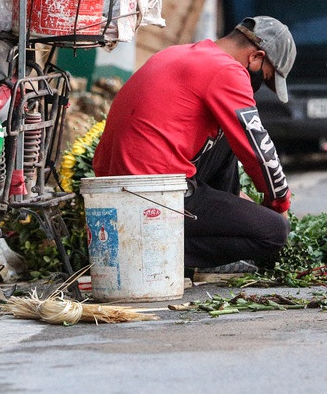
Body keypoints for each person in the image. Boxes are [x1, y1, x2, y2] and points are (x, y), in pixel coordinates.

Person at [92, 16, 296, 272]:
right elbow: (258, 147)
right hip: (153, 194)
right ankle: (155, 252)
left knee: (229, 130)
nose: (259, 87)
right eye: (265, 79)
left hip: (112, 189)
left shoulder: (179, 53)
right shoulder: (227, 70)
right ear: (256, 57)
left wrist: (235, 200)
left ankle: (184, 234)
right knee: (275, 231)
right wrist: (278, 204)